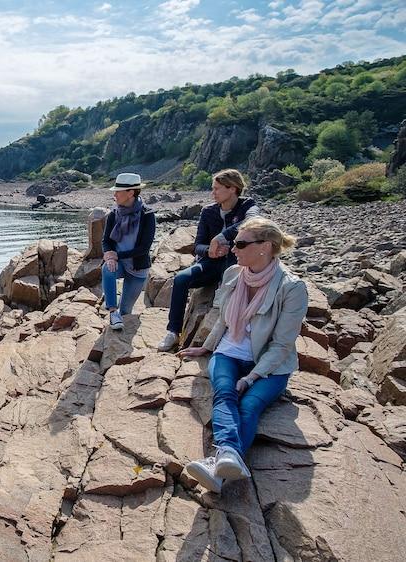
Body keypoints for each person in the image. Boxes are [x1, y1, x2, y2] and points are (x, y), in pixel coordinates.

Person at [177, 217, 307, 493]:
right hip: (228, 352)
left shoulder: (292, 288)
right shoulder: (233, 274)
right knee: (224, 392)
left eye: (240, 243)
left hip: (270, 365)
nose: (233, 249)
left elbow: (283, 344)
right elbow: (221, 318)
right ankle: (227, 457)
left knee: (249, 405)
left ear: (265, 247)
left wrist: (251, 377)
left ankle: (219, 465)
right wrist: (207, 346)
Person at [157, 169, 260, 351]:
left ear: (232, 189)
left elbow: (253, 221)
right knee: (181, 279)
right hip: (211, 263)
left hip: (237, 261)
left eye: (217, 189)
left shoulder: (247, 206)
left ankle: (228, 329)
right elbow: (198, 246)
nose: (212, 193)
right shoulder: (208, 212)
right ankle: (173, 332)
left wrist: (221, 237)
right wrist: (210, 251)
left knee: (231, 279)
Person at [101, 172, 156, 330]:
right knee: (107, 268)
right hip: (120, 263)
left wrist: (117, 255)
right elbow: (106, 241)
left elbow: (144, 249)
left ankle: (119, 318)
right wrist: (110, 255)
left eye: (118, 191)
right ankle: (112, 311)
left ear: (131, 192)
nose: (115, 194)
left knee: (126, 311)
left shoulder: (147, 215)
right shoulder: (114, 214)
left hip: (138, 267)